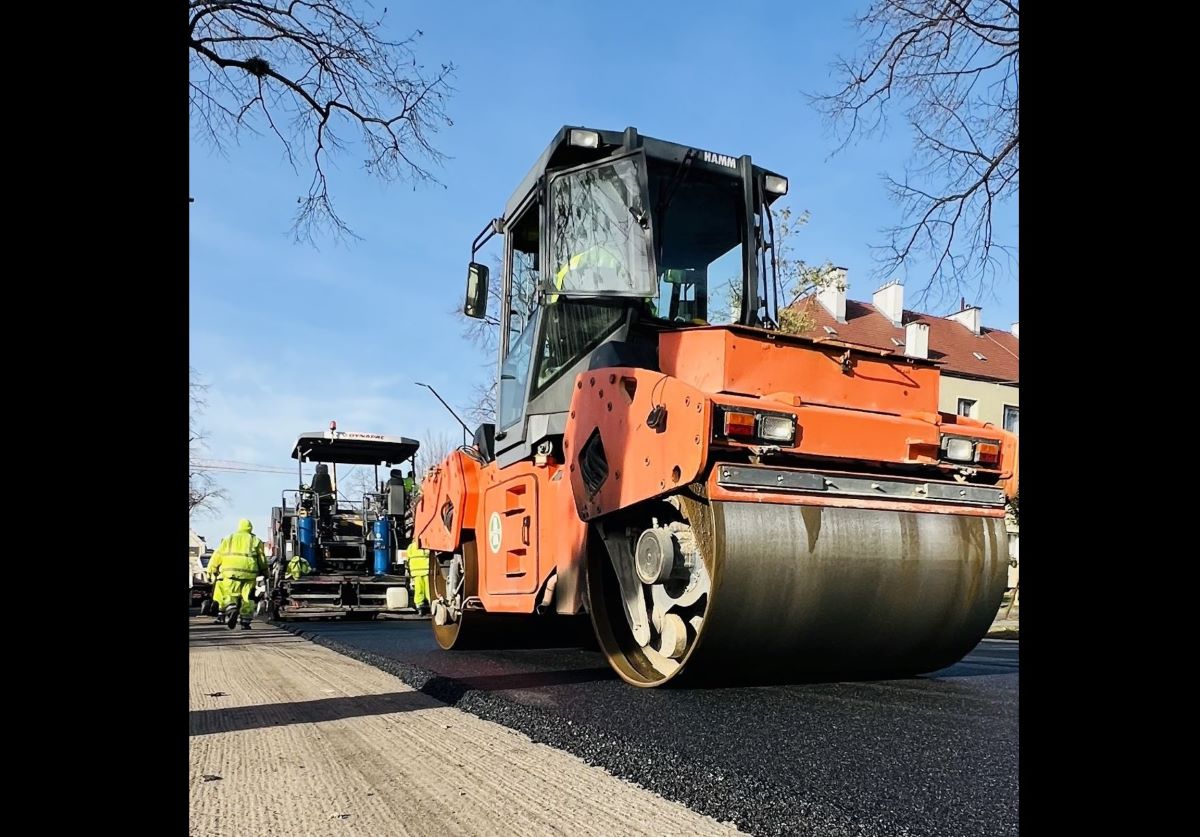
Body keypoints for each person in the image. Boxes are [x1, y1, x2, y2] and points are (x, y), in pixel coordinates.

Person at [207, 518, 269, 630]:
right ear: (250, 528)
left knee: (230, 593)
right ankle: (245, 621)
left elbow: (217, 555)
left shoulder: (228, 538)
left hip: (230, 572)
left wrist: (212, 569)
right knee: (247, 598)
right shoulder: (255, 540)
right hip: (249, 573)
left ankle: (231, 608)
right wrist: (265, 571)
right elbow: (262, 559)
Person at [405, 540, 431, 616]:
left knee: (418, 589)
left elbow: (407, 557)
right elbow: (430, 554)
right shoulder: (426, 545)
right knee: (428, 589)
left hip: (416, 571)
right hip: (426, 570)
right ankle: (431, 604)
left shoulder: (410, 546)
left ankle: (419, 607)